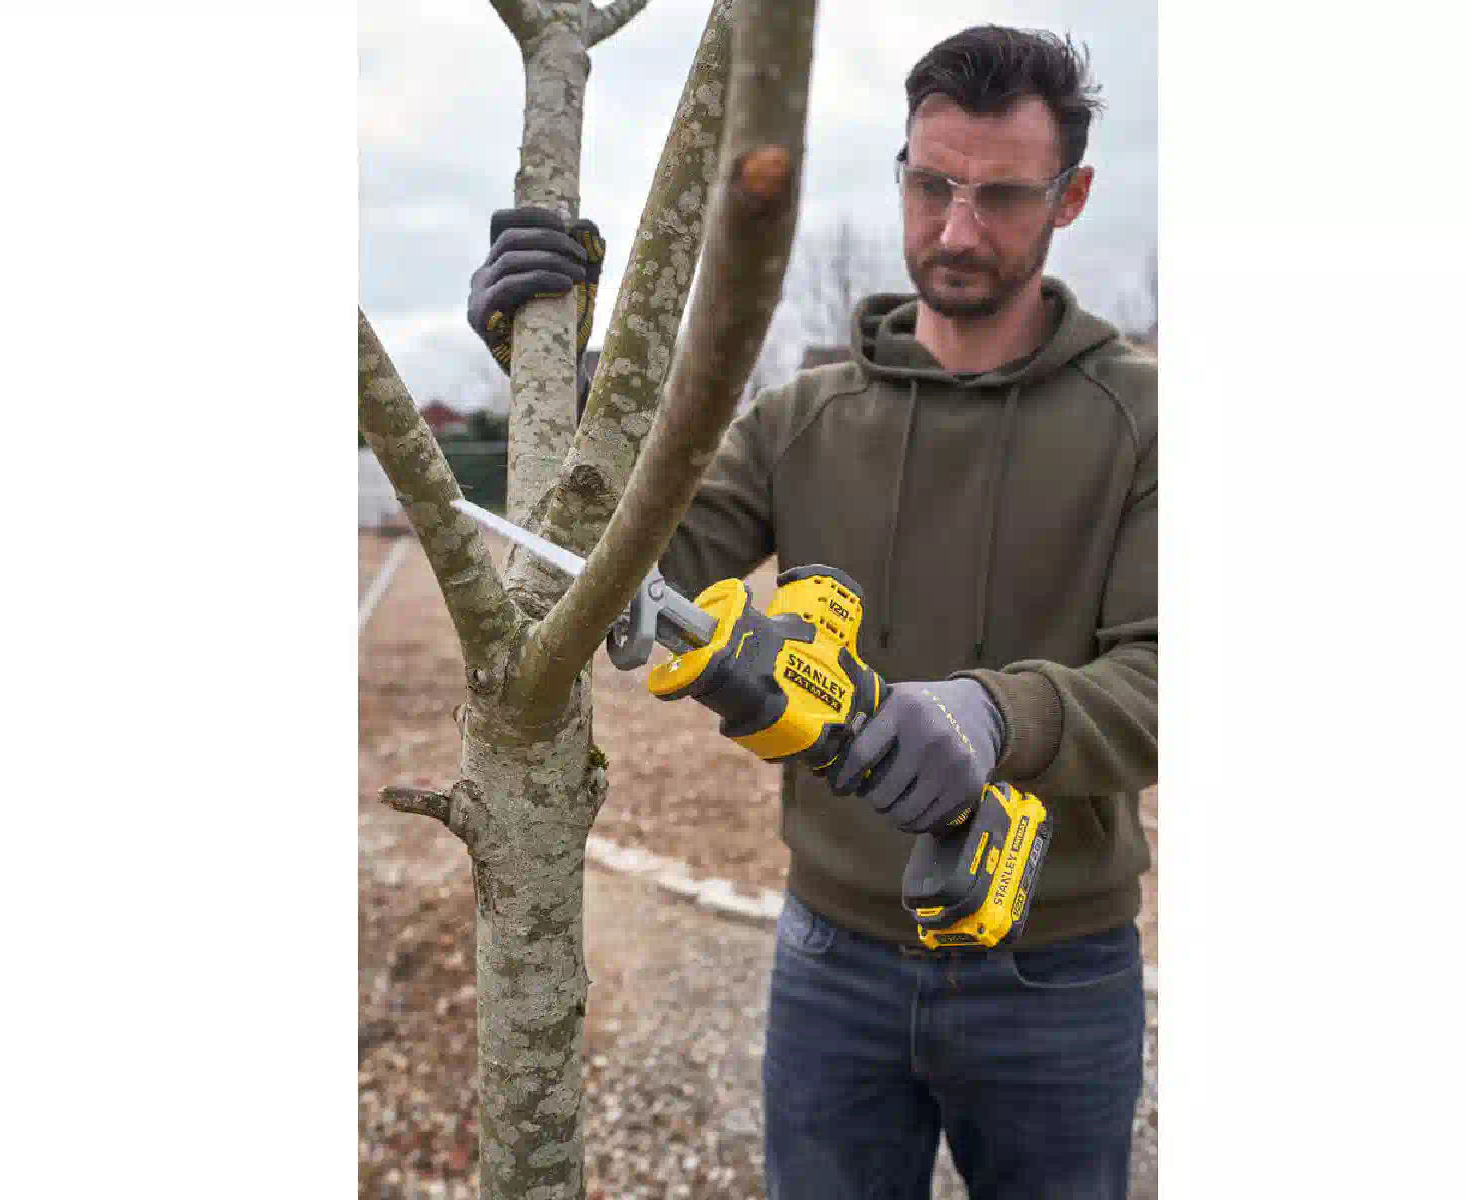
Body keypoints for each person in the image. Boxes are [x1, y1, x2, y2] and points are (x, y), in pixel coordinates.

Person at [468, 25, 1156, 1200]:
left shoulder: (1143, 419)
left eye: (1001, 196)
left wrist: (996, 717)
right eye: (931, 184)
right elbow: (628, 568)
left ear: (1073, 196)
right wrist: (559, 382)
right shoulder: (800, 418)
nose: (956, 229)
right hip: (832, 958)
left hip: (1056, 970)